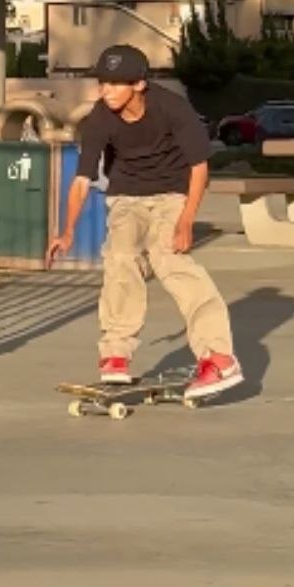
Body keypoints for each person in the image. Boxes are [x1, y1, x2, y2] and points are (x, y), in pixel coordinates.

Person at [46, 44, 241, 401]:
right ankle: (116, 353)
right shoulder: (99, 118)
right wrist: (68, 229)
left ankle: (218, 356)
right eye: (102, 83)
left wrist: (185, 223)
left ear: (138, 83)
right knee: (120, 256)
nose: (106, 91)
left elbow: (200, 168)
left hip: (172, 193)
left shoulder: (172, 109)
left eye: (115, 84)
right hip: (126, 196)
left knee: (169, 260)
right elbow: (81, 180)